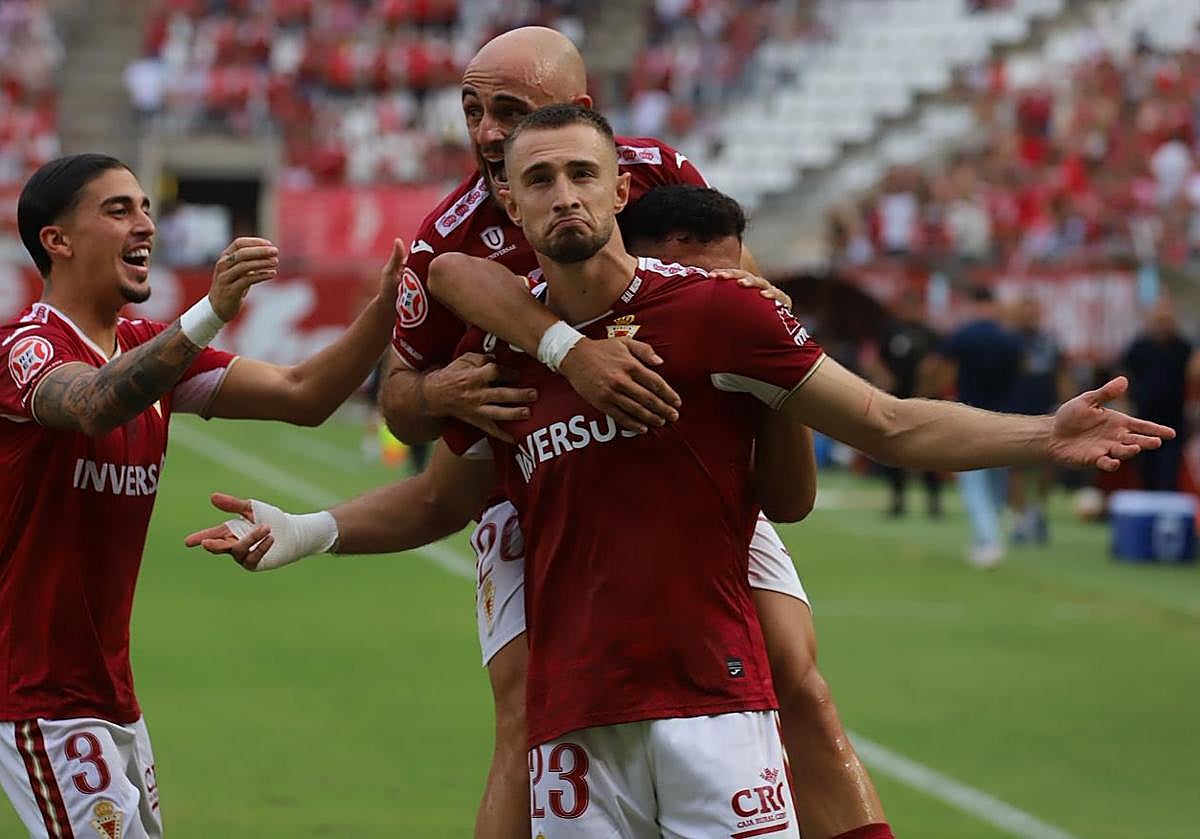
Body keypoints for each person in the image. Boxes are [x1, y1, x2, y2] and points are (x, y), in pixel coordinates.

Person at [188, 105, 1172, 836]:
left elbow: (889, 420)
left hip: (715, 708)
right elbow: (442, 497)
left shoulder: (718, 313)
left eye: (583, 172)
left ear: (623, 188)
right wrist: (306, 530)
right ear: (510, 204)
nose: (564, 193)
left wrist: (1044, 433)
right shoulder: (505, 354)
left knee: (812, 694)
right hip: (575, 724)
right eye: (540, 179)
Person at [369, 25, 892, 839]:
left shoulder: (655, 170)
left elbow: (727, 273)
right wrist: (467, 378)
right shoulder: (447, 234)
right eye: (472, 109)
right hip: (535, 479)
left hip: (679, 456)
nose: (486, 133)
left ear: (581, 116)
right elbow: (401, 401)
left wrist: (763, 319)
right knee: (526, 717)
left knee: (801, 683)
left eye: (510, 110)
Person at [0, 153, 404, 838]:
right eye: (118, 209)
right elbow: (96, 403)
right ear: (57, 240)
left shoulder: (144, 344)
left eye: (146, 208)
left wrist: (390, 304)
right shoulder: (24, 347)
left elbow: (305, 395)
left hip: (111, 696)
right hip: (38, 695)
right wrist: (211, 310)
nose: (145, 225)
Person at [923, 286, 1022, 568]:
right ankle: (991, 535)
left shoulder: (964, 335)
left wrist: (928, 394)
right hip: (1006, 418)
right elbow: (1022, 371)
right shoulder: (1008, 339)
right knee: (994, 485)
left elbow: (938, 368)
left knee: (974, 484)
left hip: (971, 418)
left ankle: (989, 541)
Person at [863, 288, 943, 518]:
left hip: (925, 399)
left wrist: (929, 385)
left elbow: (941, 364)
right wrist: (883, 378)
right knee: (895, 449)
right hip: (897, 399)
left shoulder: (930, 334)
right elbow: (873, 359)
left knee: (931, 452)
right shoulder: (891, 331)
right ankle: (897, 500)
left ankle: (933, 501)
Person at [1007, 295, 1071, 543]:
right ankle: (1018, 517)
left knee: (1048, 463)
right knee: (1017, 466)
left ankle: (1039, 511)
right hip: (1015, 408)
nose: (1030, 316)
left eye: (1034, 311)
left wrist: (1069, 402)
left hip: (1045, 407)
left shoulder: (1050, 341)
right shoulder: (1009, 342)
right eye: (1026, 311)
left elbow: (1061, 374)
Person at [1119, 297, 1199, 491]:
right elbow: (1123, 376)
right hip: (1143, 419)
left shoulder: (1183, 347)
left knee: (1168, 473)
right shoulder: (1139, 347)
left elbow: (1193, 376)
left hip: (1173, 421)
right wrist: (1123, 406)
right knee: (1146, 471)